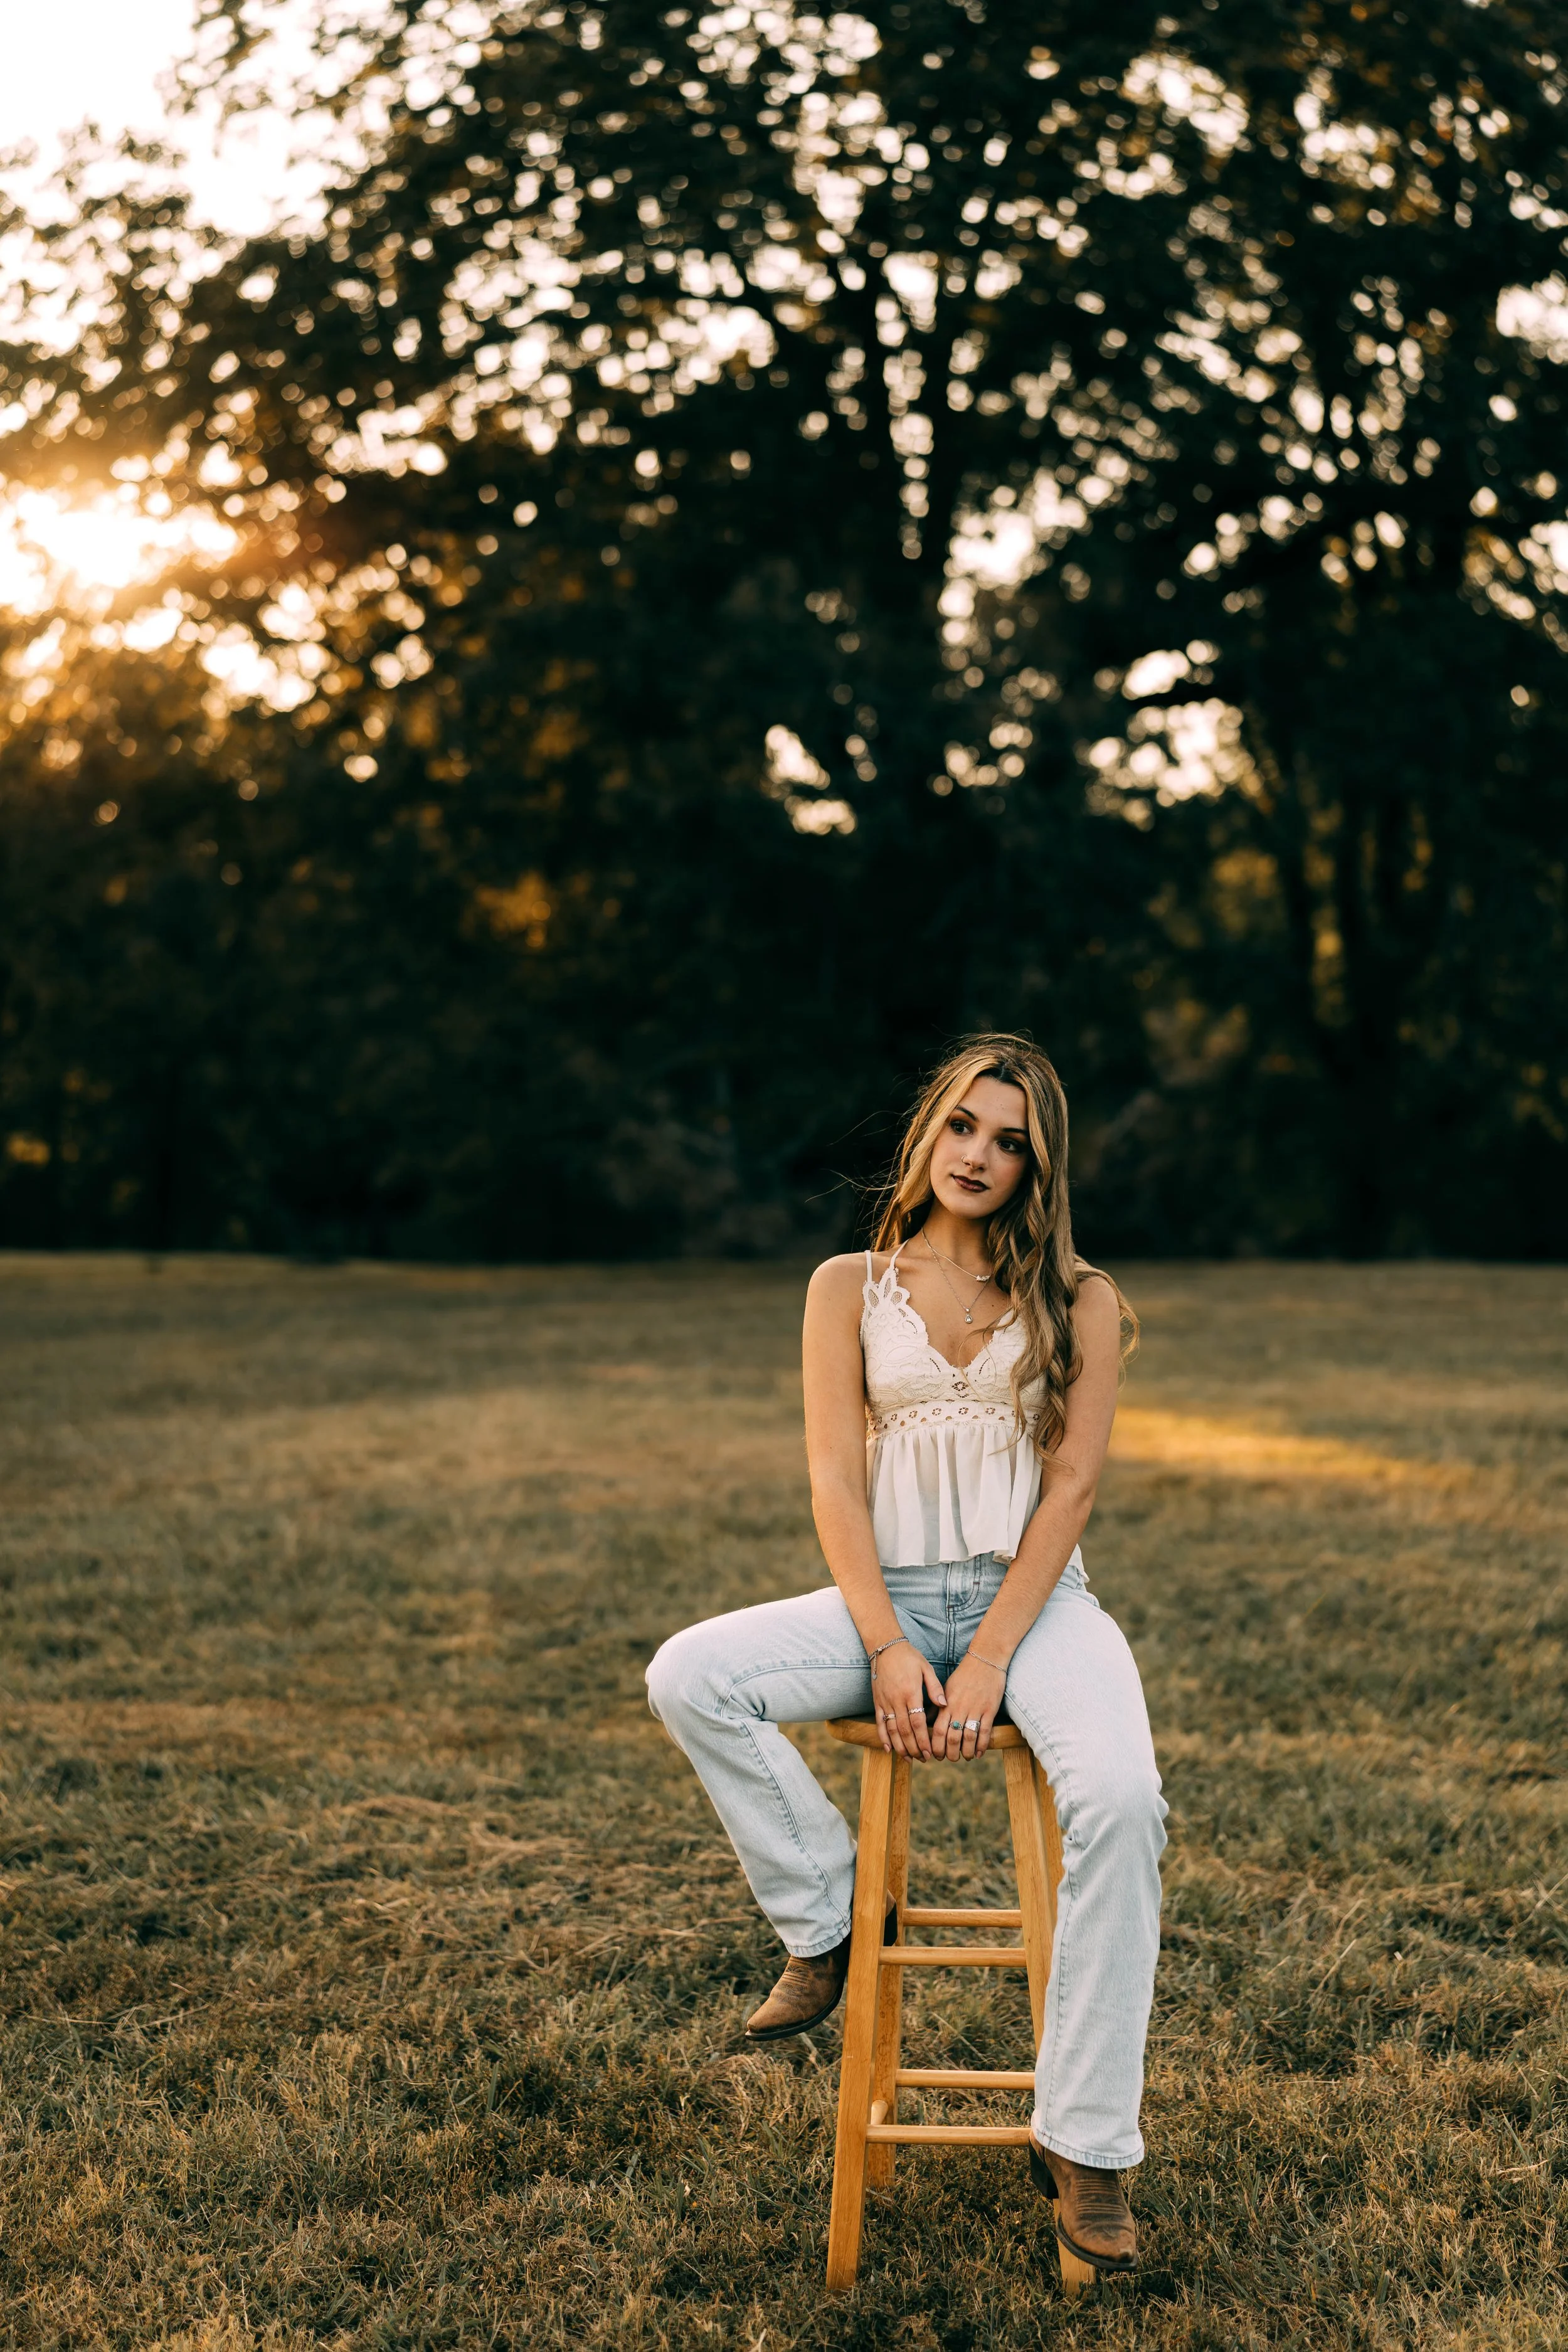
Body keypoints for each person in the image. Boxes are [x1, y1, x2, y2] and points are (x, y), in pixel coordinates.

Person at [645, 1034, 1166, 2276]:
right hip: (881, 1597)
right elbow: (832, 1477)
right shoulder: (846, 1285)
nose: (978, 1156)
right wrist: (884, 1642)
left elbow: (1072, 1489)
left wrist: (985, 1660)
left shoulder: (1077, 1300)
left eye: (1008, 1142)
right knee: (689, 1675)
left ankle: (1086, 2143)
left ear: (1038, 1167)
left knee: (1121, 1800)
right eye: (962, 1128)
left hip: (1032, 1606)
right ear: (928, 1130)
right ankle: (827, 1915)